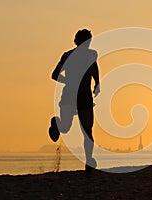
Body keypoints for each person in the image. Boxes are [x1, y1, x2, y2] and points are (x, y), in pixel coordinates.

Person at [48, 29, 100, 171]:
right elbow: (54, 74)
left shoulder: (91, 54)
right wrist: (69, 81)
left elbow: (94, 69)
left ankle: (89, 161)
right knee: (65, 128)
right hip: (70, 95)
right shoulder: (68, 56)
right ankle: (55, 123)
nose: (88, 44)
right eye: (87, 41)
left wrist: (97, 83)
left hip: (83, 96)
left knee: (87, 131)